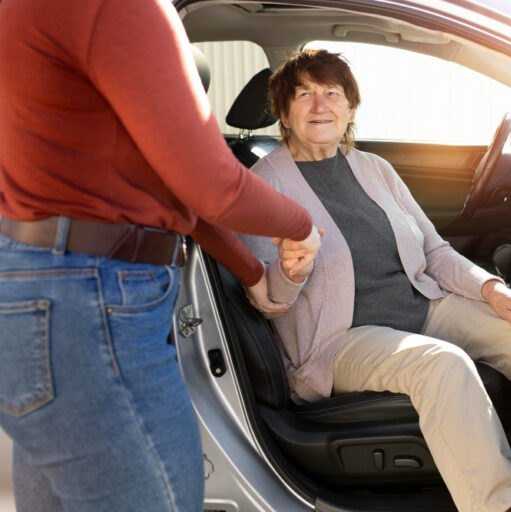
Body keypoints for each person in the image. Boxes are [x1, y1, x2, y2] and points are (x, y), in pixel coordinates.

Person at [240, 49, 511, 512]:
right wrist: (291, 274)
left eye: (332, 93)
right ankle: (501, 506)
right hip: (338, 342)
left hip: (421, 306)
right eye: (303, 94)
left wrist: (494, 290)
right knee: (442, 364)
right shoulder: (263, 185)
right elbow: (266, 298)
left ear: (350, 107)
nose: (319, 106)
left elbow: (433, 252)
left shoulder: (374, 169)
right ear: (284, 111)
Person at [0, 1, 322, 511]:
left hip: (36, 296)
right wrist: (302, 226)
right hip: (93, 304)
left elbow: (170, 189)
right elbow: (213, 186)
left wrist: (249, 271)